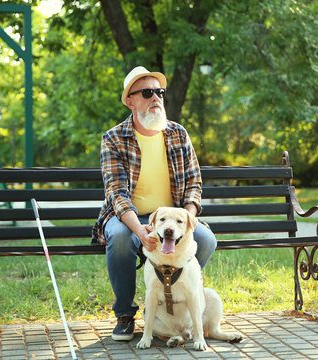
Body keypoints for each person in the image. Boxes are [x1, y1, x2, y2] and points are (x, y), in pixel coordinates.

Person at [92, 66, 217, 341]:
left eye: (159, 92)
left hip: (173, 218)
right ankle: (125, 315)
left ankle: (170, 296)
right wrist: (140, 230)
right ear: (130, 101)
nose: (156, 98)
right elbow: (117, 194)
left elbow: (194, 184)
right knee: (122, 239)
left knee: (206, 240)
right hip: (128, 216)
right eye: (147, 92)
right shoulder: (113, 139)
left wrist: (188, 219)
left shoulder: (178, 134)